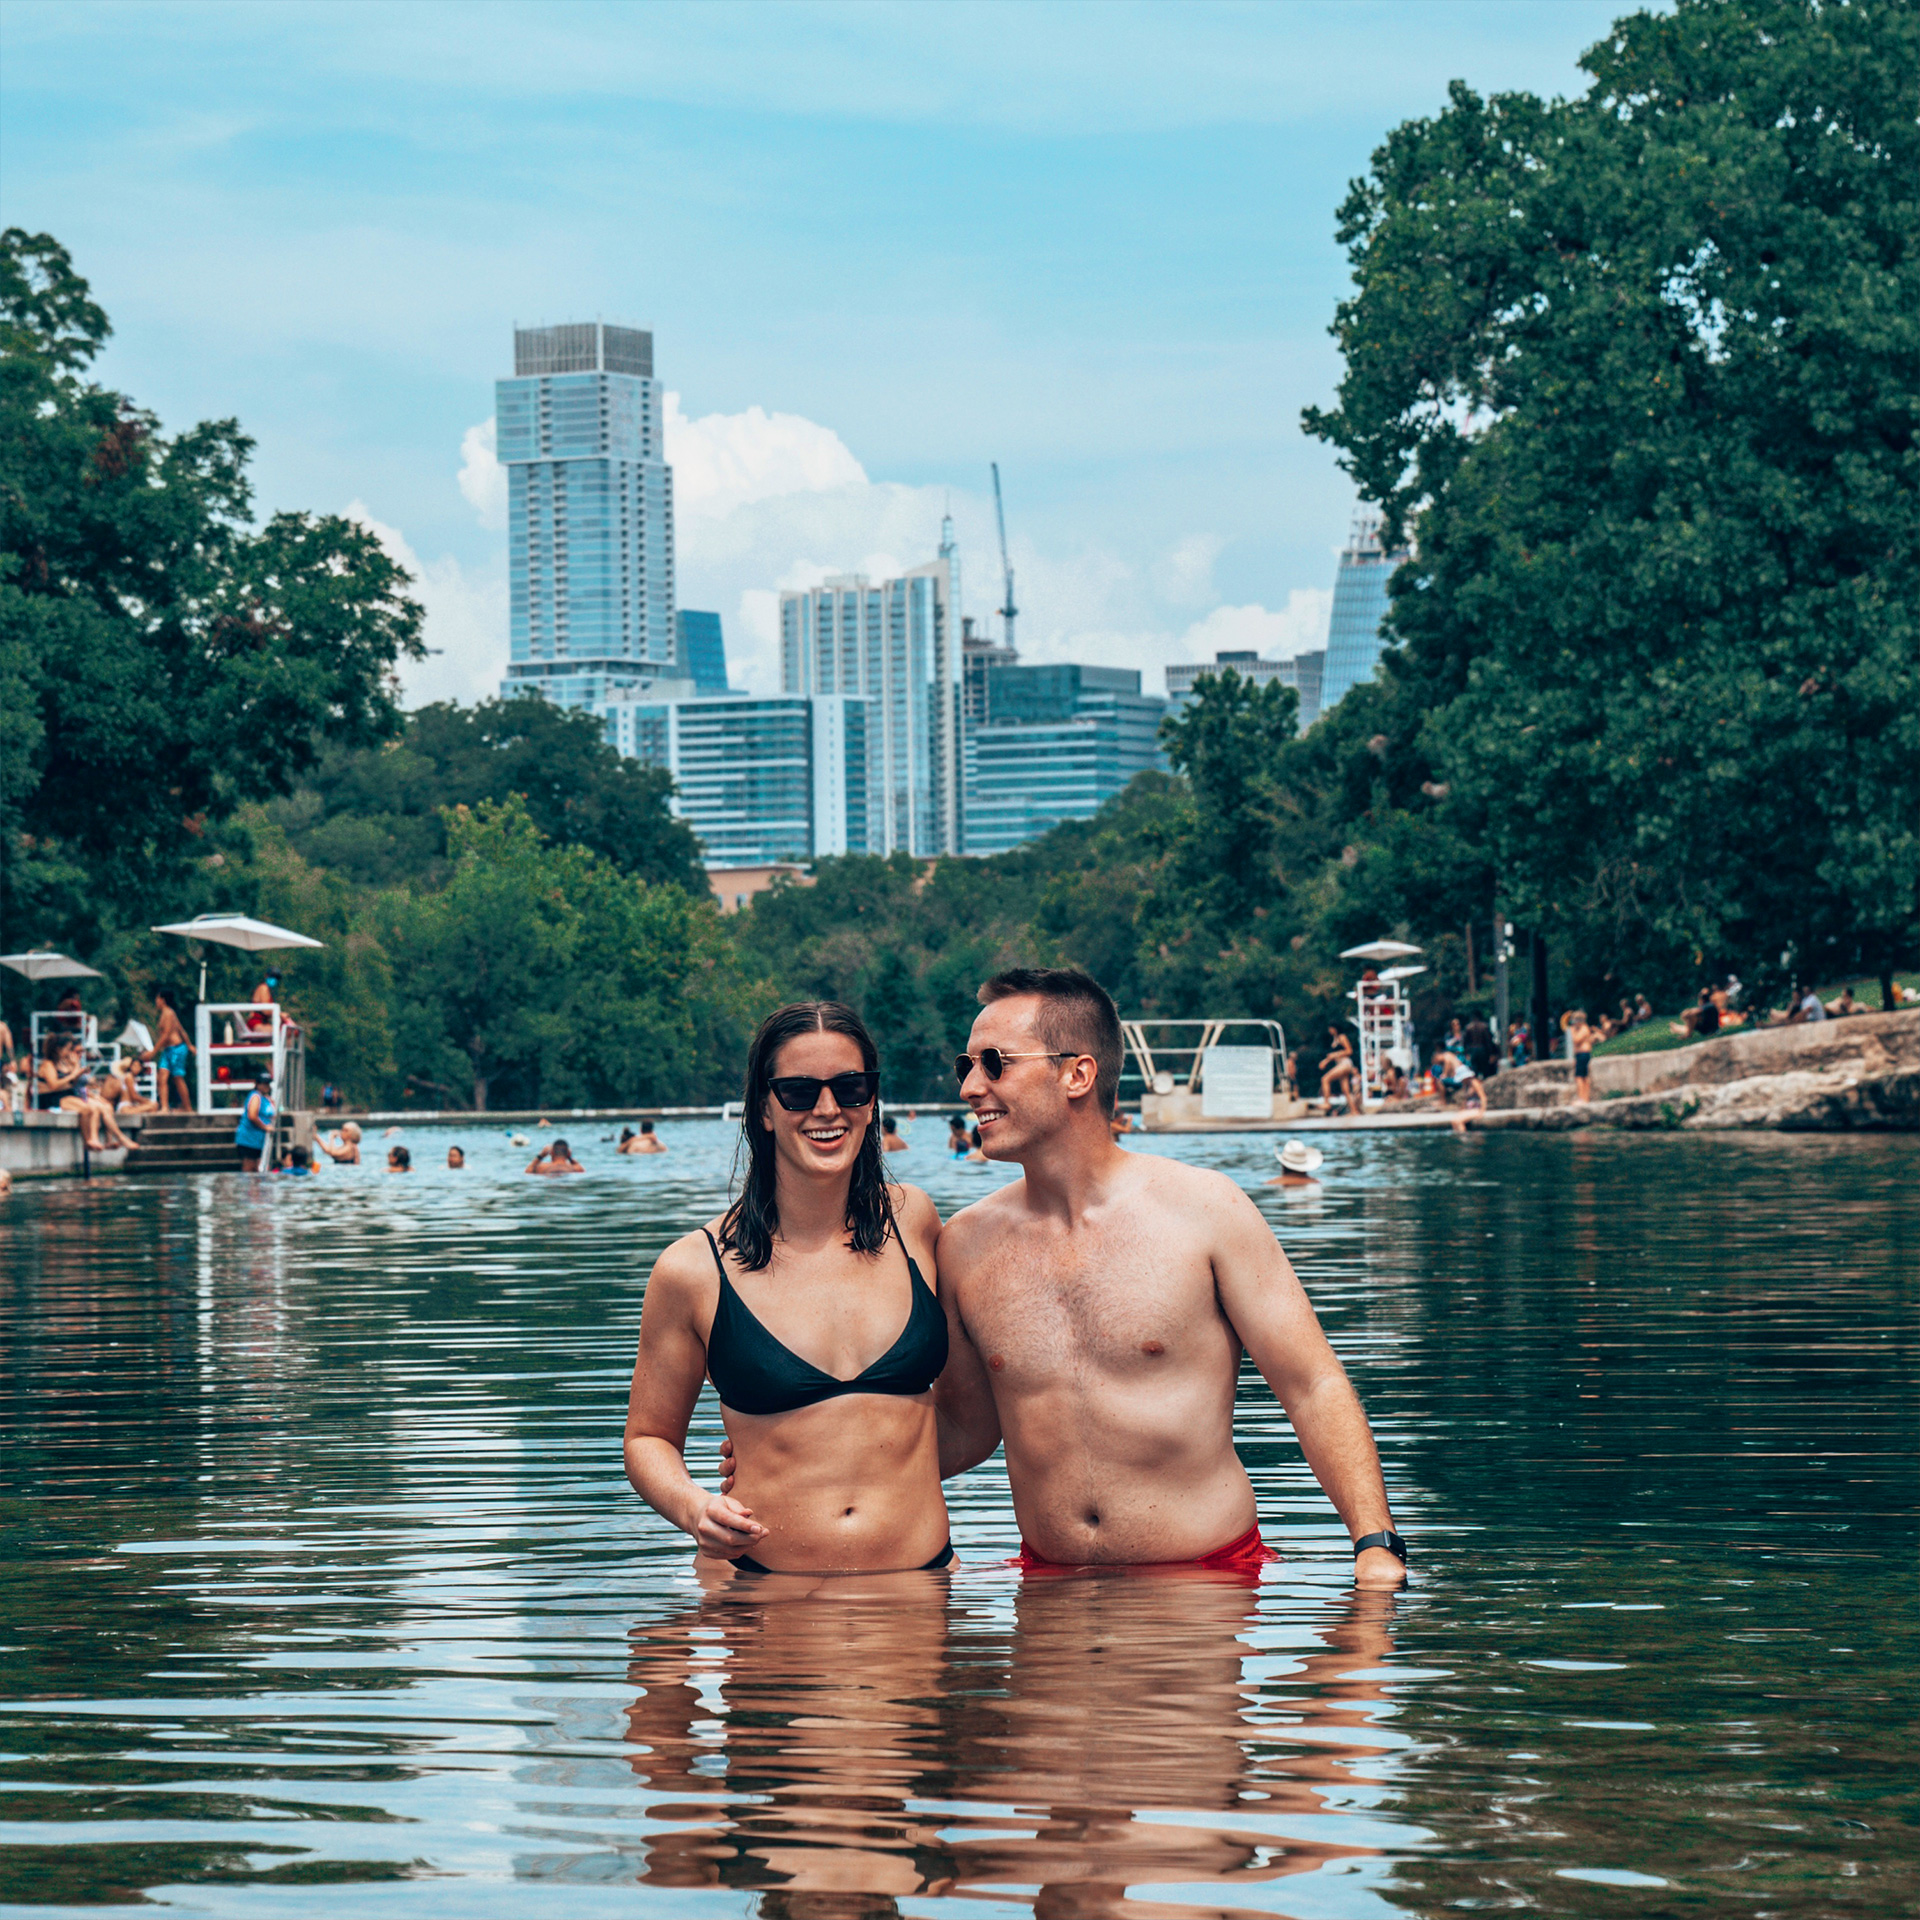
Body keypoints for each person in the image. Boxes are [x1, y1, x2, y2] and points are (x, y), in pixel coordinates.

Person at [934, 967, 1406, 1585]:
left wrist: (1375, 1545)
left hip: (1207, 1584)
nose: (971, 1087)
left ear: (1077, 1073)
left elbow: (1311, 1384)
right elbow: (965, 1428)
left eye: (994, 1063)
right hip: (1049, 1590)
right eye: (965, 1065)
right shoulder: (965, 1245)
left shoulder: (1207, 1210)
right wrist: (813, 1480)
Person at [624, 1001, 955, 1576]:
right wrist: (696, 1506)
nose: (828, 1109)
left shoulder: (916, 1223)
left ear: (871, 1100)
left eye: (851, 1087)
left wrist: (866, 1460)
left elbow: (973, 1417)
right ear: (763, 1110)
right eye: (800, 1092)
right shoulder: (694, 1269)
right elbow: (648, 1438)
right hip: (765, 1597)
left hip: (923, 1587)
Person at [143, 988, 193, 1114]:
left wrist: (153, 1052)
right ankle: (164, 1107)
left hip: (176, 1049)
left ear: (162, 1000)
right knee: (162, 1078)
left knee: (178, 1078)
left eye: (157, 998)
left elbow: (166, 1034)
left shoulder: (169, 1013)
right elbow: (181, 1030)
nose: (156, 1001)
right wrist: (190, 1044)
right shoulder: (165, 1014)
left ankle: (188, 1107)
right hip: (167, 1050)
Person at [234, 1068, 275, 1173]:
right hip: (249, 1139)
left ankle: (256, 1189)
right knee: (249, 1167)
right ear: (257, 1084)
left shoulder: (266, 1098)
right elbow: (252, 1116)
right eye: (263, 1083)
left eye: (268, 1083)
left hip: (259, 1140)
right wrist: (265, 1127)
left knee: (257, 1169)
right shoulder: (255, 1096)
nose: (266, 1086)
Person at [1318, 1028, 1364, 1113]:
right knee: (1345, 1090)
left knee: (1325, 1079)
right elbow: (1332, 1056)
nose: (1330, 1031)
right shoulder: (1334, 1039)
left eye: (1331, 1028)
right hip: (1340, 1064)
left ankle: (1326, 1103)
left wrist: (1335, 1054)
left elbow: (1349, 1051)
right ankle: (1354, 1111)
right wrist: (1325, 1061)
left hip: (1345, 1063)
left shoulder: (1342, 1037)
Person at [1568, 1010, 1595, 1104]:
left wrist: (1572, 1031)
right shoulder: (1581, 1029)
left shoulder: (1584, 1028)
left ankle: (1582, 1098)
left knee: (1580, 1077)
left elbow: (1576, 1040)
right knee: (1583, 1077)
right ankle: (1584, 1098)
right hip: (1580, 1055)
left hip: (1583, 1054)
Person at [1463, 1012, 1495, 1082]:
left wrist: (1466, 1053)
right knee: (1485, 1069)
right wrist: (1491, 1053)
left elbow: (1465, 1042)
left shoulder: (1468, 1027)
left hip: (1473, 1050)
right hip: (1483, 1049)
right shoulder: (1484, 1026)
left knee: (1474, 1071)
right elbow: (1488, 1041)